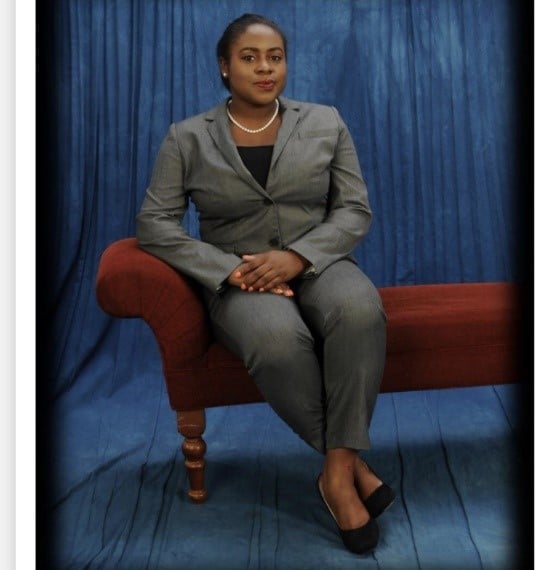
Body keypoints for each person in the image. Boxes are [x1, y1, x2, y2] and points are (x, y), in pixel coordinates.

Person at [136, 13, 395, 554]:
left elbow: (353, 209)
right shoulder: (187, 137)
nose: (264, 67)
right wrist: (227, 270)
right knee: (277, 343)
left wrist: (298, 257)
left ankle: (335, 476)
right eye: (249, 57)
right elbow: (154, 224)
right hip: (239, 278)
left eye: (274, 56)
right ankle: (350, 467)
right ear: (224, 67)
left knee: (361, 312)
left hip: (317, 263)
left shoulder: (326, 121)